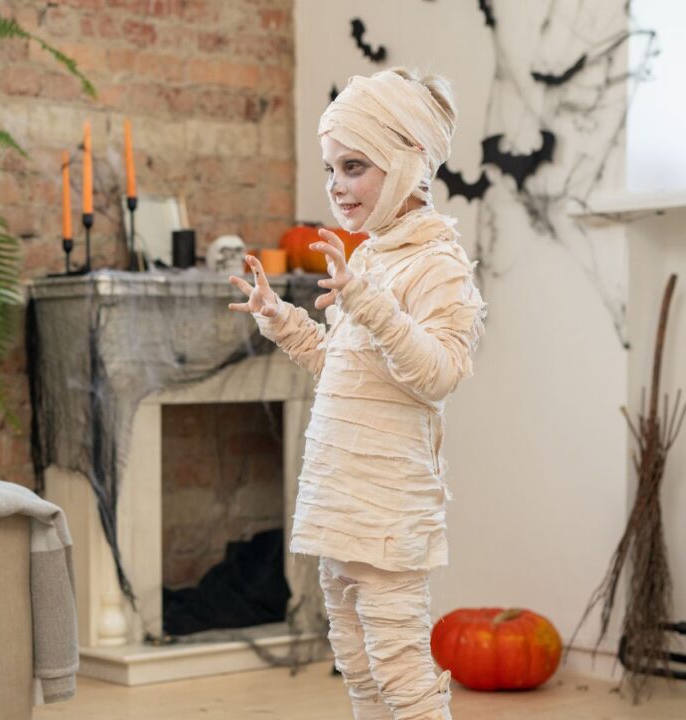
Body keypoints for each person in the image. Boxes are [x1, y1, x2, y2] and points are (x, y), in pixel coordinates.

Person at [228, 67, 488, 720]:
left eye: (353, 166)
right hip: (340, 497)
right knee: (358, 666)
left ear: (404, 163)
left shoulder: (437, 264)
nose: (337, 187)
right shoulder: (369, 257)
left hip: (388, 504)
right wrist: (278, 315)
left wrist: (369, 305)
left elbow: (440, 372)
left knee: (399, 667)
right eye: (331, 169)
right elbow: (341, 367)